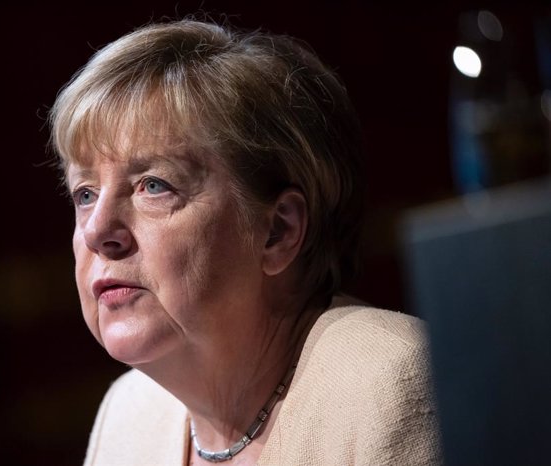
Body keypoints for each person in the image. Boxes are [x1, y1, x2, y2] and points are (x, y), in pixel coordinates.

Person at [49, 17, 442, 466]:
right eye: (85, 194)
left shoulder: (388, 384)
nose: (98, 232)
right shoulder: (129, 417)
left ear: (278, 232)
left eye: (154, 185)